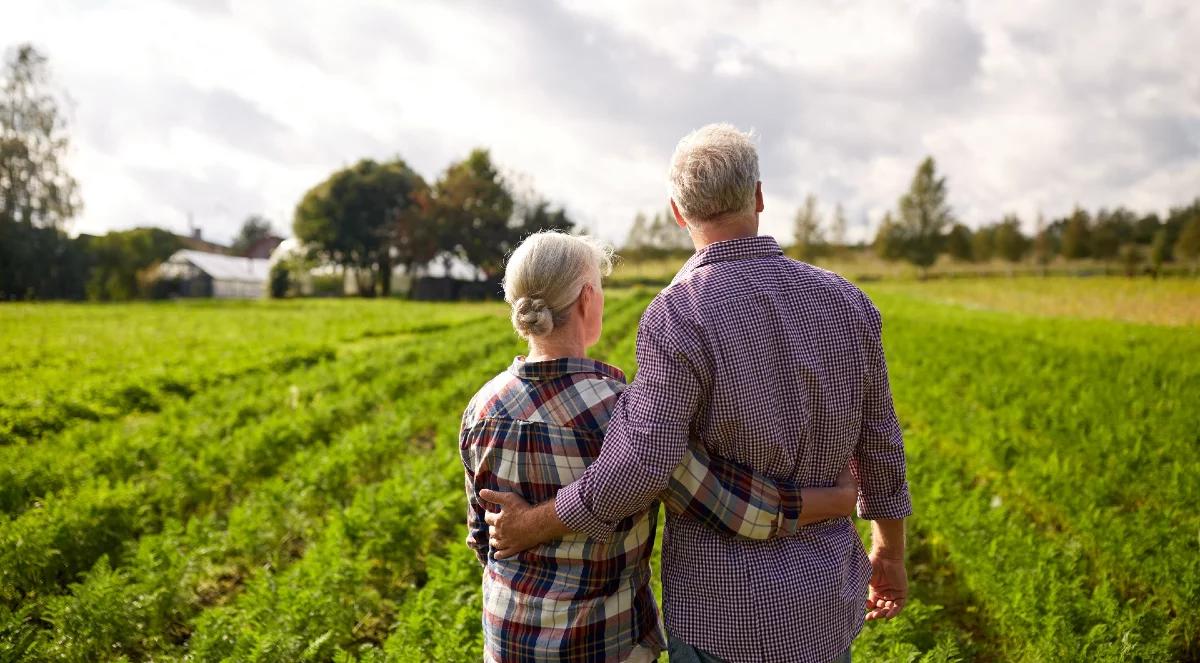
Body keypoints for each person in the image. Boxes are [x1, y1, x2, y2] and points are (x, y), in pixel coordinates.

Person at [483, 124, 913, 663]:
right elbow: (881, 447)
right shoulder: (848, 302)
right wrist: (889, 553)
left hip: (721, 612)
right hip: (826, 601)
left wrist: (530, 524)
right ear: (758, 196)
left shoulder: (679, 313)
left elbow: (641, 465)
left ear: (677, 213)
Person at [462, 230, 859, 662]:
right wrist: (830, 500)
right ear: (586, 300)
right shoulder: (624, 411)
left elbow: (483, 538)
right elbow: (727, 503)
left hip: (506, 641)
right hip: (603, 643)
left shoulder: (482, 408)